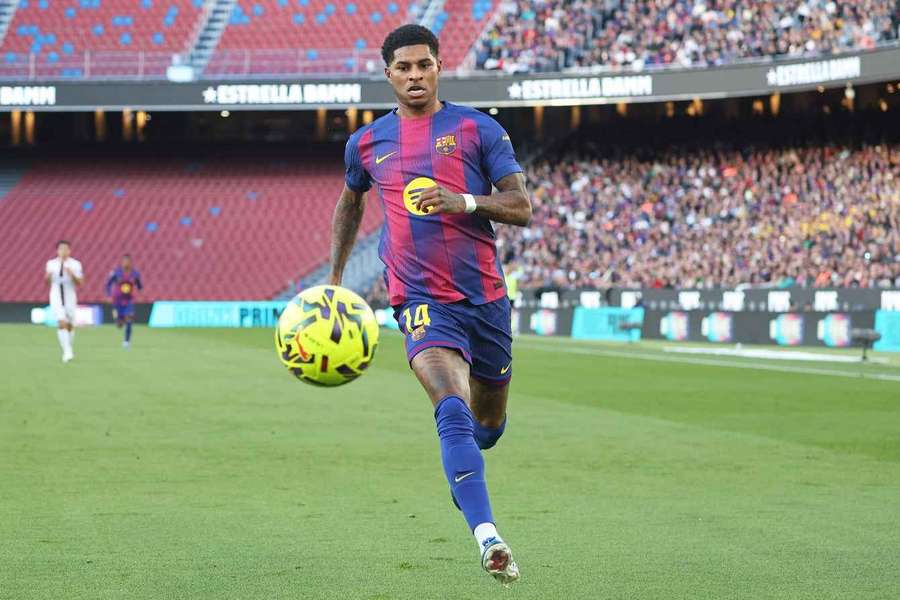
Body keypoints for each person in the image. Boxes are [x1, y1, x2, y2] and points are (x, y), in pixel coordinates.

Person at [329, 24, 532, 584]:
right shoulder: (367, 143)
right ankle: (488, 536)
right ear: (388, 74)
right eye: (404, 67)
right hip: (419, 300)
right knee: (450, 405)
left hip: (485, 300)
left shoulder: (477, 128)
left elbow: (521, 206)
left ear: (439, 67)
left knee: (487, 425)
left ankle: (467, 471)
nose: (415, 75)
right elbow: (350, 202)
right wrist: (336, 280)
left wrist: (461, 201)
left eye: (424, 65)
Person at [45, 240, 84, 363]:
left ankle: (68, 347)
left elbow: (80, 283)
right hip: (56, 296)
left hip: (69, 296)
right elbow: (46, 282)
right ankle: (67, 351)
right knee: (61, 322)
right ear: (57, 251)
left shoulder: (76, 264)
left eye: (66, 249)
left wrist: (72, 274)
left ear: (69, 251)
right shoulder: (51, 264)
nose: (63, 251)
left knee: (70, 325)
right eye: (61, 249)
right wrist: (48, 276)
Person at [106, 254, 143, 348]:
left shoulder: (135, 274)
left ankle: (126, 341)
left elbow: (139, 286)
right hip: (117, 300)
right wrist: (109, 295)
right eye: (124, 261)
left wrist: (140, 292)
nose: (126, 263)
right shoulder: (116, 272)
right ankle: (117, 318)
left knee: (129, 319)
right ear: (122, 262)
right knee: (119, 324)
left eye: (127, 261)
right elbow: (108, 284)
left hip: (129, 300)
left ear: (130, 262)